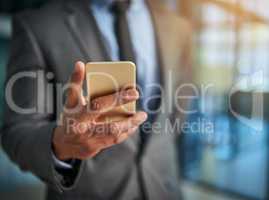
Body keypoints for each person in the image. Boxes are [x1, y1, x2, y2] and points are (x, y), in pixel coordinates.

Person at [1, 0, 193, 199]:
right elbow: (18, 131)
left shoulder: (178, 28)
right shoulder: (39, 26)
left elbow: (175, 118)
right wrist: (60, 145)